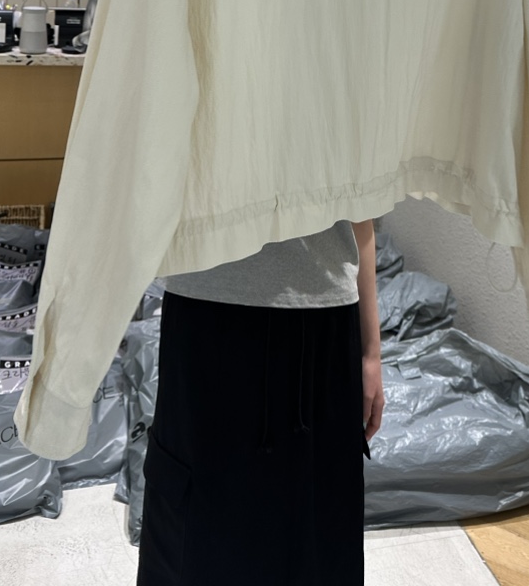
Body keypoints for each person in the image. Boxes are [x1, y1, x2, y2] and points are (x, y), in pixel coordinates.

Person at [135, 216, 384, 586]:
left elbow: (364, 206)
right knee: (195, 540)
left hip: (324, 318)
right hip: (206, 306)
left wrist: (371, 352)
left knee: (320, 541)